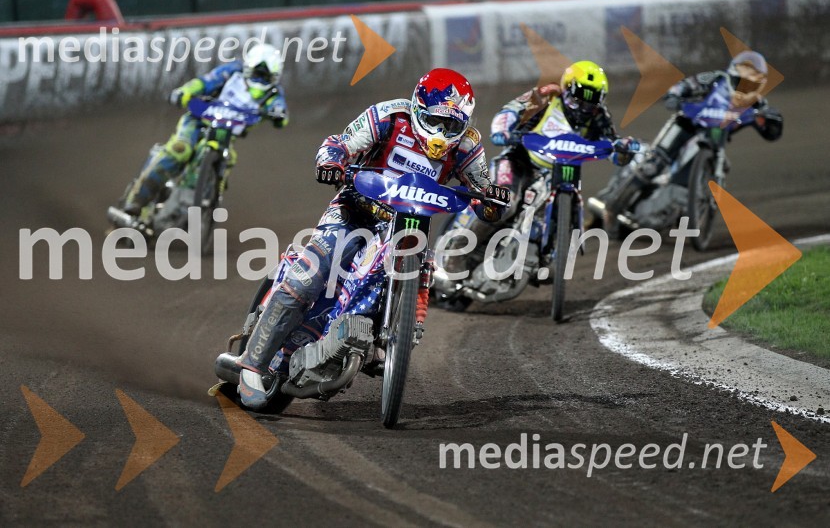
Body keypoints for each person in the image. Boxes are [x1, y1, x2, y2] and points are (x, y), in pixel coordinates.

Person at [236, 68, 510, 409]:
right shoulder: (387, 116)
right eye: (436, 122)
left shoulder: (468, 145)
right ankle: (253, 363)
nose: (442, 134)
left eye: (451, 126)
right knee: (313, 272)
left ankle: (392, 339)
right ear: (417, 107)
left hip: (410, 228)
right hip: (356, 211)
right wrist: (332, 161)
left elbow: (484, 193)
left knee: (426, 270)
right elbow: (340, 143)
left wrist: (494, 200)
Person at [433, 60, 638, 293]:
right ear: (568, 87)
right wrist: (503, 130)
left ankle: (546, 252)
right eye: (581, 94)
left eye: (592, 97)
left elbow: (613, 145)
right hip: (520, 160)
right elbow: (511, 110)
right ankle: (456, 252)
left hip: (561, 171)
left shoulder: (599, 115)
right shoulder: (546, 96)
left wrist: (623, 150)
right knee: (504, 204)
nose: (584, 103)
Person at [595, 50, 783, 224]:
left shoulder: (756, 103)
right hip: (685, 124)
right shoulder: (716, 79)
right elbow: (685, 85)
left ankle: (690, 206)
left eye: (751, 85)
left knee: (722, 165)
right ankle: (612, 208)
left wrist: (769, 122)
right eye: (741, 82)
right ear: (732, 76)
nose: (745, 89)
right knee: (652, 164)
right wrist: (675, 95)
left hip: (713, 140)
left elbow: (772, 130)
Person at [116, 43, 289, 217]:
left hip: (224, 134)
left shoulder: (273, 93)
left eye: (266, 76)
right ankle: (137, 199)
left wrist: (279, 114)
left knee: (228, 159)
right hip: (198, 120)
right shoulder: (232, 71)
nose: (260, 80)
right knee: (180, 149)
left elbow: (280, 109)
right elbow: (205, 82)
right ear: (247, 68)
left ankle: (205, 204)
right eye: (257, 74)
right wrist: (184, 91)